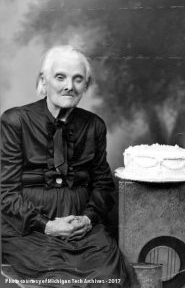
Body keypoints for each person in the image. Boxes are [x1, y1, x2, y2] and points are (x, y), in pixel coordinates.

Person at [1, 45, 130, 287]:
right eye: (60, 77)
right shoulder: (15, 121)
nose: (69, 86)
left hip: (82, 226)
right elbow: (5, 191)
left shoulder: (94, 126)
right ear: (44, 81)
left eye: (78, 79)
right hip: (30, 226)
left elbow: (103, 185)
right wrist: (47, 226)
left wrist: (88, 219)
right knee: (58, 281)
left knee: (110, 278)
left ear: (86, 86)